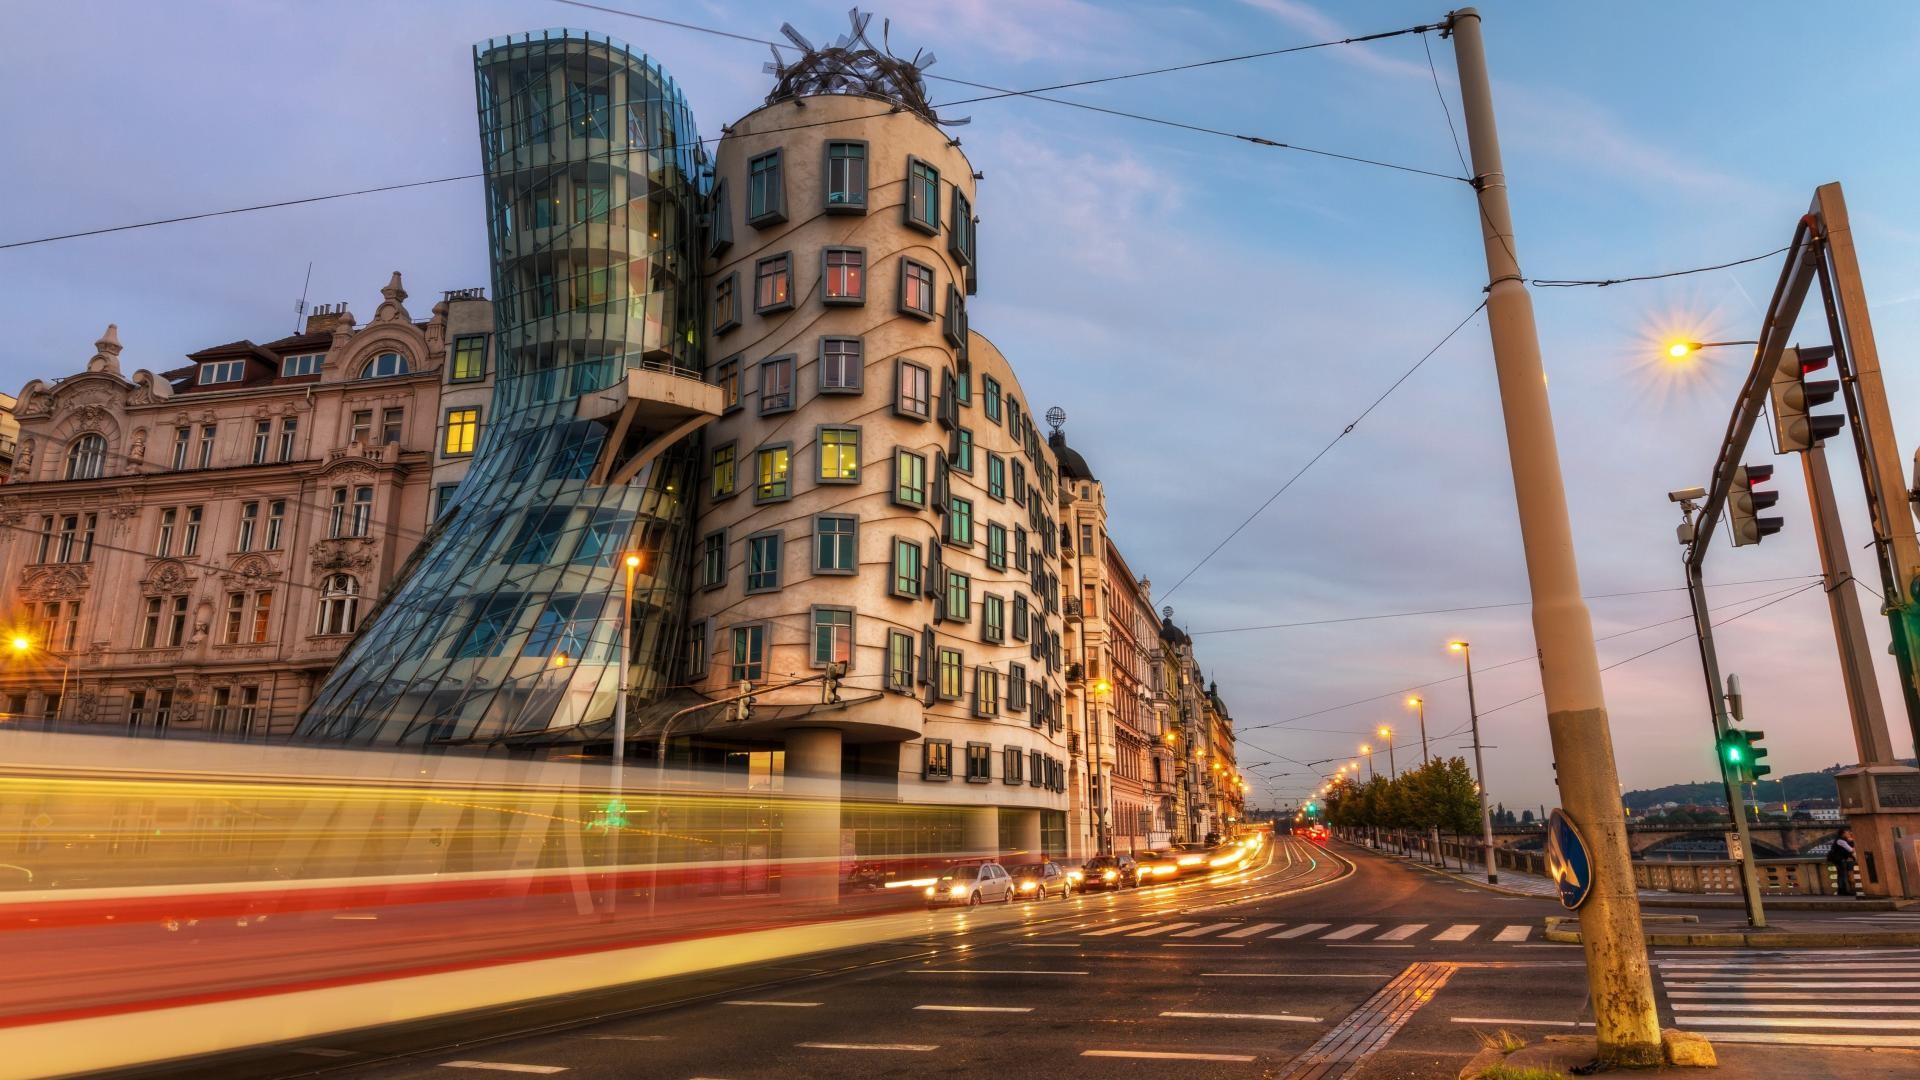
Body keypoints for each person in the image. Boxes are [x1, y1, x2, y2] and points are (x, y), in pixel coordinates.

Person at [1827, 828, 1858, 896]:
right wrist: (1853, 842)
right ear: (1843, 833)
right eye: (1847, 833)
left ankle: (1841, 890)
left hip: (1840, 859)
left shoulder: (1841, 840)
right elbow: (1850, 850)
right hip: (1840, 860)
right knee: (1843, 875)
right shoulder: (1840, 841)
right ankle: (1843, 891)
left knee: (1841, 875)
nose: (1848, 834)